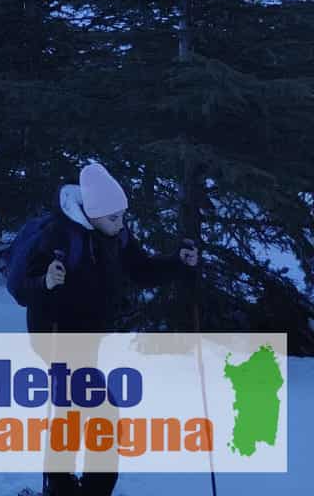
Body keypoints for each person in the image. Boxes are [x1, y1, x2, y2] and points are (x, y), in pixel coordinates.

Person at [11, 161, 200, 496]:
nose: (122, 223)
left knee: (69, 411)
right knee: (102, 413)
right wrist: (46, 282)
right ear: (92, 214)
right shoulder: (59, 236)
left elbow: (141, 270)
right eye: (115, 217)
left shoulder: (116, 235)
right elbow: (20, 287)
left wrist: (176, 264)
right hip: (55, 336)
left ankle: (61, 485)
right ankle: (85, 488)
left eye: (123, 215)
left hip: (86, 337)